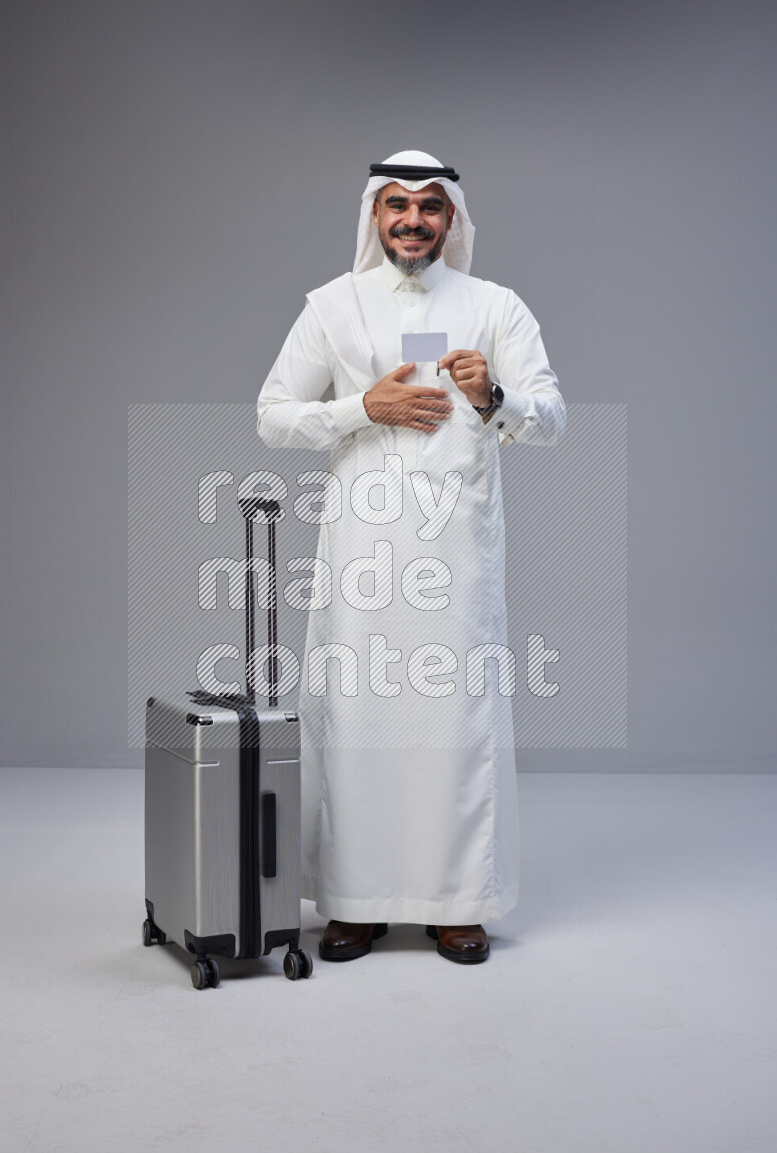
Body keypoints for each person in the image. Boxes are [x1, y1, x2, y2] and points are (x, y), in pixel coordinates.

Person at [257, 150, 565, 964]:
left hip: (458, 560)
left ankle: (457, 902)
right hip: (362, 560)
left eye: (431, 206)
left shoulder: (495, 307)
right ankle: (354, 902)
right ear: (374, 215)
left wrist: (494, 396)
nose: (413, 220)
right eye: (397, 204)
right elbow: (272, 415)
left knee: (454, 728)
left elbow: (553, 415)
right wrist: (364, 406)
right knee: (355, 723)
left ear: (453, 219)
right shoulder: (333, 306)